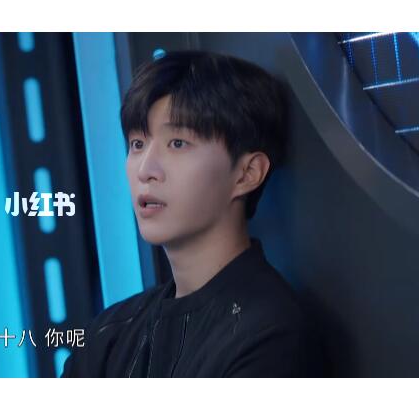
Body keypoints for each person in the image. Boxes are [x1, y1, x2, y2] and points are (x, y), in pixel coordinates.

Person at [61, 50, 319, 377]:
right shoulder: (109, 334)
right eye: (138, 144)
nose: (145, 170)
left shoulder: (269, 334)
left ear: (247, 173)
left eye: (178, 143)